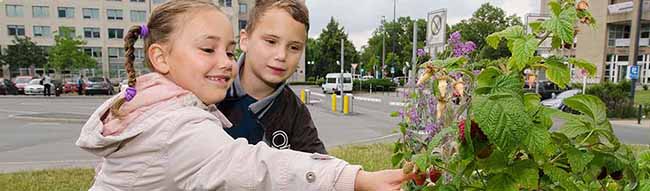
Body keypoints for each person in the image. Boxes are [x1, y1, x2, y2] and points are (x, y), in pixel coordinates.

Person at [76, 0, 410, 190]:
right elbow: (255, 166)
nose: (281, 55)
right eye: (208, 48)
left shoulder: (157, 98)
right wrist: (356, 179)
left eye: (294, 47)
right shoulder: (179, 121)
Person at [218, 0, 326, 154]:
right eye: (271, 41)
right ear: (244, 40)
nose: (281, 56)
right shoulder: (211, 90)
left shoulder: (296, 113)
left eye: (294, 47)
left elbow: (318, 166)